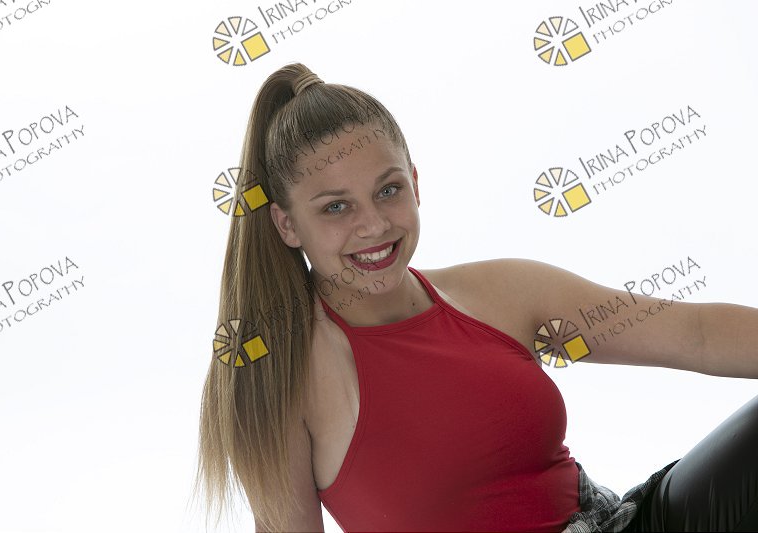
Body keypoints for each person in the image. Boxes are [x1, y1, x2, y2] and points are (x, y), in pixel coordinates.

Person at [194, 63, 758, 532]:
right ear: (287, 224)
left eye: (388, 190)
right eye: (336, 207)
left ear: (416, 184)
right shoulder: (278, 376)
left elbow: (697, 336)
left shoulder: (501, 294)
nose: (374, 225)